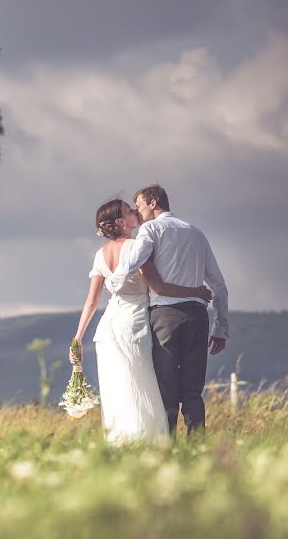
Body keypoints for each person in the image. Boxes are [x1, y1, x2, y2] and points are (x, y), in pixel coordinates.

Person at [70, 197, 212, 444]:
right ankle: (150, 441)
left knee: (119, 389)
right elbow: (159, 286)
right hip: (135, 324)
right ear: (121, 222)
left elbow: (92, 302)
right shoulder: (138, 246)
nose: (135, 211)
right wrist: (196, 291)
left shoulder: (100, 255)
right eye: (129, 210)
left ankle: (121, 442)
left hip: (109, 329)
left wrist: (78, 337)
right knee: (146, 385)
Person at [105, 184, 229, 434]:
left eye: (138, 205)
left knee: (167, 388)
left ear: (153, 203)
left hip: (165, 317)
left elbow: (134, 259)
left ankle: (168, 449)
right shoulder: (196, 233)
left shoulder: (151, 229)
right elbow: (218, 284)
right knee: (193, 391)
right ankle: (196, 446)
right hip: (197, 316)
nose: (137, 213)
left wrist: (113, 282)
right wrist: (221, 326)